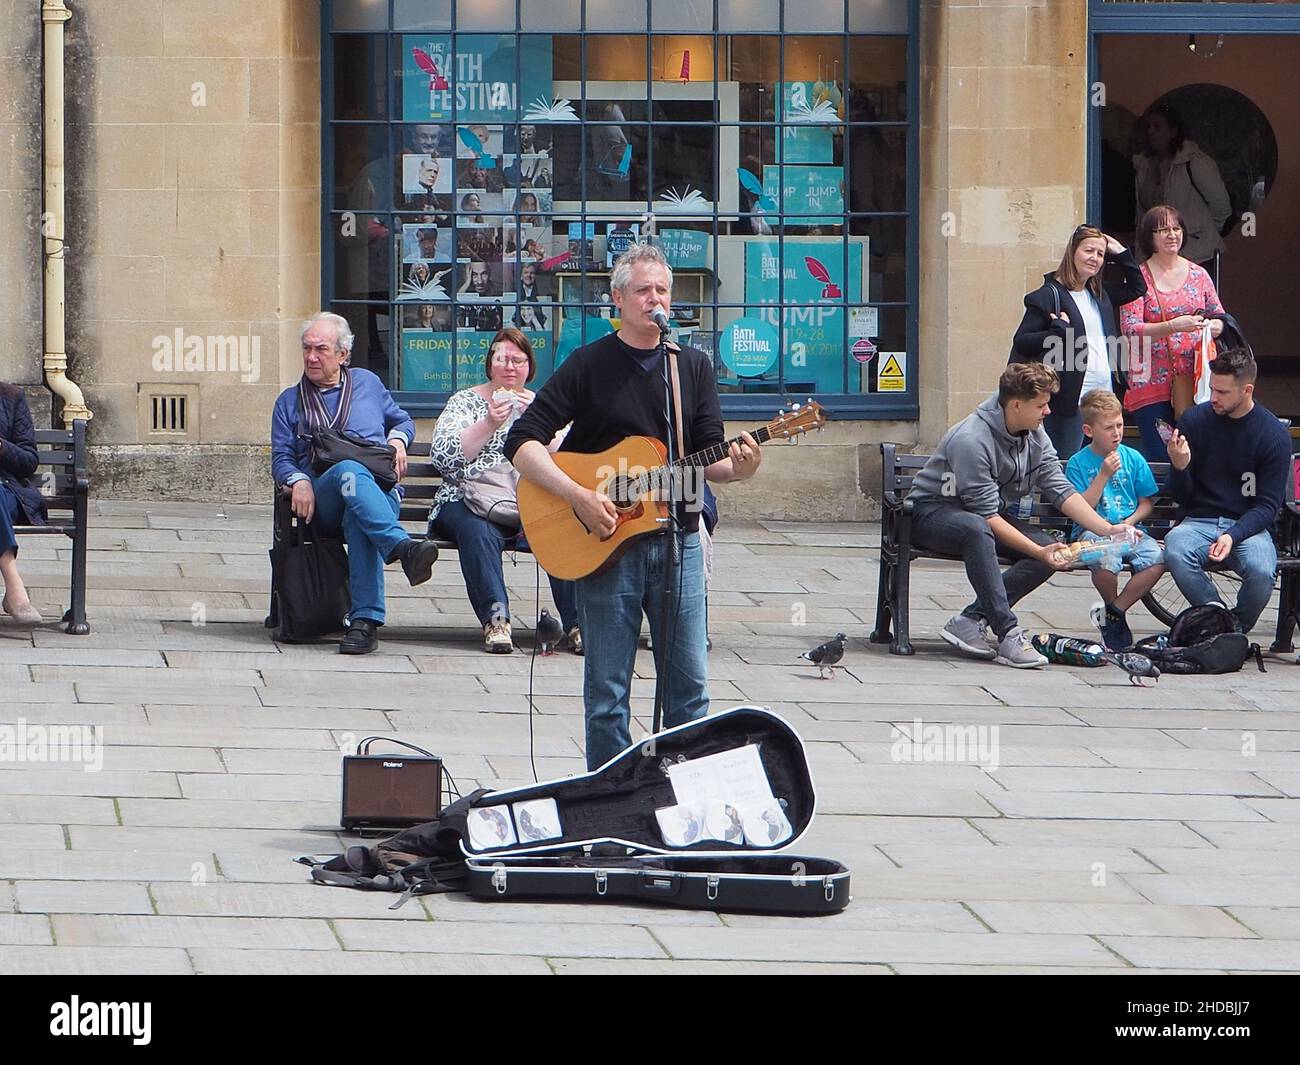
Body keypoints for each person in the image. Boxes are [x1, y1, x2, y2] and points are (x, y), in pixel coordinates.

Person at [505, 243, 762, 769]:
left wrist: (742, 466)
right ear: (618, 298)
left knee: (689, 690)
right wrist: (578, 495)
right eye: (643, 290)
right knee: (607, 694)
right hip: (606, 547)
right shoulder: (589, 363)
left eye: (662, 290)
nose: (655, 300)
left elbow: (708, 457)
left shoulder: (691, 367)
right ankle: (608, 798)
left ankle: (681, 794)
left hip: (680, 540)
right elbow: (523, 441)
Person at [907, 363, 1124, 669]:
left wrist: (1107, 529)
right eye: (1042, 405)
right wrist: (1038, 551)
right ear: (1016, 404)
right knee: (981, 530)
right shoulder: (972, 439)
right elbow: (986, 516)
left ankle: (970, 620)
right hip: (931, 513)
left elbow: (1059, 488)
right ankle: (1007, 631)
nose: (1048, 411)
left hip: (984, 516)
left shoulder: (1034, 432)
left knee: (1054, 551)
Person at [271, 312, 440, 654]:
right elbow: (282, 459)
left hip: (378, 495)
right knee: (348, 472)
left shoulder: (368, 384)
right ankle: (401, 548)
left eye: (321, 349)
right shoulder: (290, 401)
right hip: (325, 499)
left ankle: (363, 626)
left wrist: (397, 441)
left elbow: (403, 420)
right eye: (307, 348)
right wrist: (298, 479)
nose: (311, 357)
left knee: (360, 517)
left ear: (343, 354)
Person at [429, 328, 579, 654]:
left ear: (529, 367)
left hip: (527, 503)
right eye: (502, 359)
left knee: (562, 528)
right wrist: (488, 424)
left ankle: (578, 623)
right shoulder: (466, 401)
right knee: (477, 529)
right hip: (467, 498)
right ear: (490, 364)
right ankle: (496, 619)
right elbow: (443, 457)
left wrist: (539, 421)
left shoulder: (541, 404)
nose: (510, 367)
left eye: (518, 360)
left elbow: (571, 458)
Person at [1163, 348, 1292, 635]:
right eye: (1212, 388)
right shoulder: (1194, 421)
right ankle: (1218, 619)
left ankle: (1236, 628)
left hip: (1247, 526)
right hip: (1198, 520)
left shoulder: (1272, 435)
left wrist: (1232, 536)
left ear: (1247, 390)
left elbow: (1268, 506)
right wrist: (1180, 467)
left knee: (1261, 570)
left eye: (1222, 392)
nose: (1213, 398)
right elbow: (1180, 496)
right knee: (1176, 548)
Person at [1010, 224, 1146, 461]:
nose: (1094, 258)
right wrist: (1057, 330)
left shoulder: (1099, 294)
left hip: (1103, 395)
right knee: (1066, 464)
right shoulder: (1047, 295)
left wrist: (1121, 252)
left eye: (1100, 254)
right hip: (1069, 399)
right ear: (1073, 251)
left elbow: (1138, 287)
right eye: (1089, 251)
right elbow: (1022, 341)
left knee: (1101, 465)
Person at [1064, 389, 1166, 651]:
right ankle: (1115, 617)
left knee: (1158, 559)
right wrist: (1103, 475)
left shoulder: (1133, 458)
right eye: (1109, 428)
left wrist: (1131, 522)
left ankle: (1114, 613)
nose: (1117, 433)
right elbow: (1081, 507)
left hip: (1130, 528)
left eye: (1120, 425)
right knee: (1107, 560)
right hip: (1092, 531)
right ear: (1089, 430)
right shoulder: (1078, 463)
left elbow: (1146, 503)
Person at [1120, 205, 1226, 448]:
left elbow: (1220, 315)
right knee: (1160, 454)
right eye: (1163, 230)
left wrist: (1214, 326)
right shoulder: (1138, 277)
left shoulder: (1199, 275)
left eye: (1176, 228)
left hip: (1195, 379)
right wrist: (1172, 326)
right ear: (1150, 236)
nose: (1172, 235)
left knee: (1195, 453)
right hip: (1149, 380)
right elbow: (1129, 328)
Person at [1133, 101, 1231, 272]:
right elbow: (1143, 214)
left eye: (1157, 127)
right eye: (1148, 127)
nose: (1150, 132)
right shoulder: (1144, 165)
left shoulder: (1195, 162)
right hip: (1155, 258)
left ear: (1173, 131)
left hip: (1196, 257)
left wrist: (1196, 233)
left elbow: (1221, 207)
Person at [0, 383, 47, 624]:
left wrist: (1, 447)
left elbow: (29, 460)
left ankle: (14, 588)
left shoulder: (10, 397)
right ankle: (15, 590)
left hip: (5, 492)